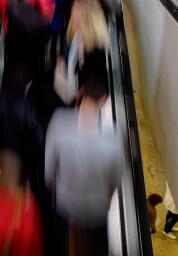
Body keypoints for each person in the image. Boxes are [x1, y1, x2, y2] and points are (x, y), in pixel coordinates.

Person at [45, 79, 122, 255]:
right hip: (97, 211)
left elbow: (49, 171)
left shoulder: (59, 122)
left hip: (66, 205)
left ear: (80, 94)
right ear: (104, 100)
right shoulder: (114, 138)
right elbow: (116, 181)